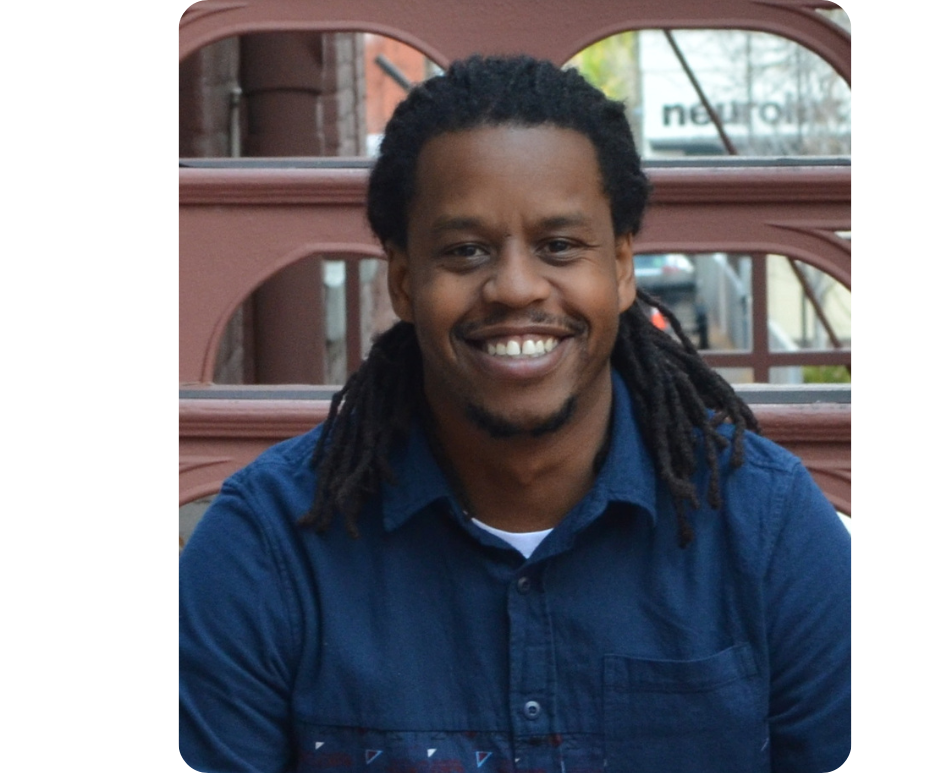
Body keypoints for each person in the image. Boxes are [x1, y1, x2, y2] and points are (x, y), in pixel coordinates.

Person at [179, 55, 850, 773]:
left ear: (621, 267)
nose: (516, 287)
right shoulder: (265, 552)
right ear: (404, 281)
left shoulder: (769, 534)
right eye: (466, 251)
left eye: (559, 246)